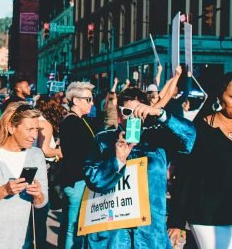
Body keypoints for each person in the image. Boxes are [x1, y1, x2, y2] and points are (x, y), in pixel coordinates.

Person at [83, 87, 196, 248]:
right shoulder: (104, 140)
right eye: (127, 111)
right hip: (114, 237)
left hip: (150, 236)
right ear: (119, 113)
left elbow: (190, 139)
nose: (132, 117)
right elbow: (94, 181)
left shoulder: (158, 140)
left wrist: (160, 114)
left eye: (137, 111)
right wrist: (117, 160)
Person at [0, 102, 48, 248]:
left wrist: (38, 195)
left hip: (21, 240)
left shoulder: (36, 156)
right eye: (29, 129)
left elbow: (42, 202)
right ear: (11, 127)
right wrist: (4, 190)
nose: (34, 136)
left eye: (36, 129)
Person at [167, 72, 232, 249]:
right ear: (219, 96)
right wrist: (176, 220)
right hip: (207, 216)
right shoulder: (202, 129)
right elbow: (187, 175)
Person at [58, 81, 96, 249]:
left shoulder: (76, 121)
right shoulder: (72, 122)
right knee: (74, 228)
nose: (92, 103)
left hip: (75, 180)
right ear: (75, 100)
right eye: (88, 99)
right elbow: (77, 156)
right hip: (76, 181)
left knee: (71, 225)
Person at [32, 95, 66, 247]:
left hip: (29, 168)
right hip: (42, 171)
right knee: (40, 214)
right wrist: (59, 152)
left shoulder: (31, 120)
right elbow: (44, 150)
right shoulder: (44, 123)